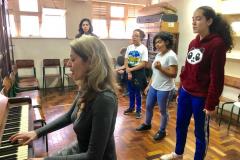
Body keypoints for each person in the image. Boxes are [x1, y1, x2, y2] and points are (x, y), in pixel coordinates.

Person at [9, 35, 118, 160]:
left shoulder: (104, 99)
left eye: (73, 59)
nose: (68, 64)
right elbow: (69, 116)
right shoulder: (86, 87)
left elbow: (93, 156)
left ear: (90, 61)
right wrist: (36, 132)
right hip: (80, 149)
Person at [160, 6, 233, 160]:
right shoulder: (193, 42)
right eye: (192, 19)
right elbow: (186, 69)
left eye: (198, 19)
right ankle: (178, 154)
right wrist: (180, 90)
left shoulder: (217, 44)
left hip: (201, 97)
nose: (194, 22)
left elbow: (217, 77)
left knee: (200, 132)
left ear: (209, 21)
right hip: (186, 92)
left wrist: (211, 103)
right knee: (180, 125)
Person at [136, 32, 178, 141]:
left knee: (163, 111)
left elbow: (173, 74)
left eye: (159, 42)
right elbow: (155, 73)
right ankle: (147, 124)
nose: (157, 45)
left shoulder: (172, 55)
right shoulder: (159, 54)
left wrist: (161, 69)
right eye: (155, 43)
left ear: (167, 42)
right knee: (149, 106)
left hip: (165, 89)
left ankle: (162, 131)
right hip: (154, 86)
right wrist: (148, 85)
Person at [123, 29, 148, 119]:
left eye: (136, 36)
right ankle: (131, 107)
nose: (134, 37)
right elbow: (126, 60)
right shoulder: (129, 47)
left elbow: (144, 63)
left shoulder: (144, 48)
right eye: (133, 35)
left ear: (141, 37)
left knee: (138, 92)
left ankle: (138, 110)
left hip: (138, 72)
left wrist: (131, 69)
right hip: (129, 70)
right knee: (131, 91)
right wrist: (128, 71)